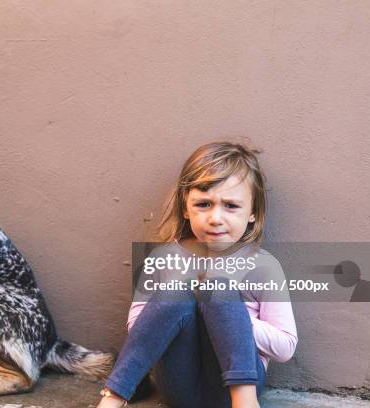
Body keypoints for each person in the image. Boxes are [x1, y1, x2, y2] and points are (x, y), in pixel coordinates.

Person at [96, 142, 298, 408]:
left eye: (231, 206)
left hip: (234, 391)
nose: (215, 217)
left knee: (219, 290)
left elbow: (285, 347)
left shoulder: (262, 266)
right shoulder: (162, 259)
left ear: (253, 213)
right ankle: (113, 400)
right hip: (178, 386)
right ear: (185, 208)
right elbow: (138, 330)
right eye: (203, 204)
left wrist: (234, 319)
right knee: (175, 292)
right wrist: (187, 297)